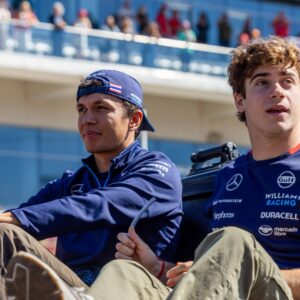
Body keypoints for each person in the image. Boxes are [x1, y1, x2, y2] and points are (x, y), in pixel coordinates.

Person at [15, 36, 300, 299]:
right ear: (240, 100)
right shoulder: (228, 176)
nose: (276, 91)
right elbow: (196, 274)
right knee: (122, 270)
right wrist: (157, 266)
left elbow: (96, 206)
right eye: (262, 82)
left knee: (235, 242)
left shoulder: (154, 170)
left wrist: (241, 272)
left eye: (287, 81)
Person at [2, 69, 183, 299]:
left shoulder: (157, 171)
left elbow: (96, 206)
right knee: (5, 233)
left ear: (134, 120)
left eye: (101, 108)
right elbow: (21, 219)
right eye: (81, 109)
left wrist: (10, 219)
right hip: (72, 287)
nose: (87, 119)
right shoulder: (72, 182)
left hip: (134, 288)